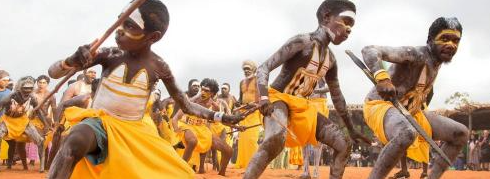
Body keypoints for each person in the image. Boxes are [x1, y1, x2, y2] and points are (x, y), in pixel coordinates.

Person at [47, 1, 241, 178]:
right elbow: (53, 72)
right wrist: (70, 60)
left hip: (136, 134)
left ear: (153, 37)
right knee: (74, 141)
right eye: (120, 22)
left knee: (176, 173)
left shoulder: (159, 67)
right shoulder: (108, 54)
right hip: (101, 124)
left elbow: (186, 105)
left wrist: (221, 117)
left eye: (129, 25)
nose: (119, 30)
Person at [245, 1, 368, 178]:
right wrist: (264, 98)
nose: (349, 29)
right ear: (326, 17)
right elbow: (263, 68)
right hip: (279, 100)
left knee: (344, 144)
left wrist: (351, 128)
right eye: (346, 21)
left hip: (304, 107)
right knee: (275, 139)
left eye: (352, 26)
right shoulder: (302, 41)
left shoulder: (331, 60)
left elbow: (337, 96)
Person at [361, 17, 469, 178]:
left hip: (411, 112)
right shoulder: (415, 54)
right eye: (444, 38)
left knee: (461, 133)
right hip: (380, 105)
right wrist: (382, 78)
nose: (451, 45)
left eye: (455, 41)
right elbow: (369, 50)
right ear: (430, 40)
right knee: (406, 132)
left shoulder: (436, 63)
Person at [172, 78, 233, 176]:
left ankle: (221, 174)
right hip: (187, 126)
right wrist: (176, 130)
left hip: (202, 129)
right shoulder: (192, 101)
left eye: (206, 91)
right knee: (192, 141)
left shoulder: (213, 105)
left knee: (229, 151)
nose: (203, 92)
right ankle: (180, 171)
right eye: (202, 89)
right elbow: (175, 118)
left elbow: (220, 120)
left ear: (212, 94)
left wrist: (237, 126)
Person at [0, 76, 48, 172]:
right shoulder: (11, 96)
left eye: (30, 88)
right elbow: (1, 106)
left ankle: (42, 167)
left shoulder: (32, 98)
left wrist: (46, 124)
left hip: (23, 121)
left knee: (40, 140)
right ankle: (8, 163)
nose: (27, 91)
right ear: (20, 88)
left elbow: (38, 112)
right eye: (25, 88)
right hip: (8, 121)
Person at [235, 60, 263, 169]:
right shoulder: (241, 82)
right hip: (243, 113)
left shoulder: (258, 80)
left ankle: (253, 164)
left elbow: (262, 97)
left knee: (251, 139)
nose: (246, 71)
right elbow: (240, 98)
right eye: (244, 69)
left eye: (248, 69)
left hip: (254, 111)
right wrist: (238, 103)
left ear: (254, 69)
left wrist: (254, 105)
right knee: (243, 139)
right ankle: (243, 163)